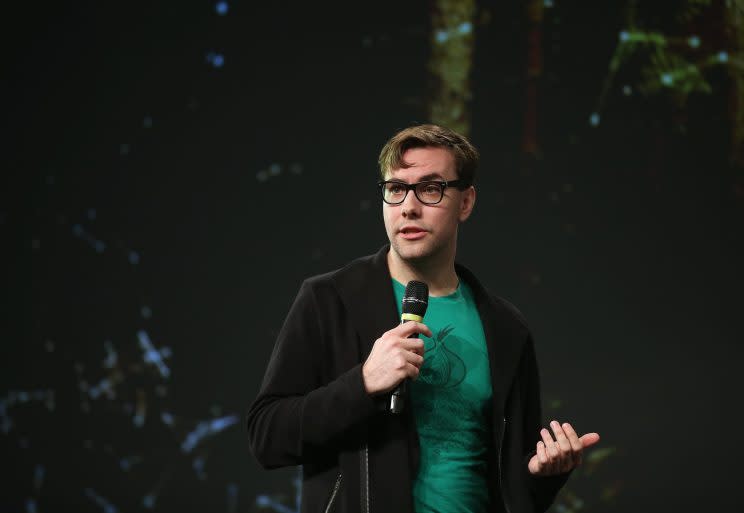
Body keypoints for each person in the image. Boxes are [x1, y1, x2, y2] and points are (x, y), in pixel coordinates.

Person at [246, 124, 600, 513]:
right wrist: (362, 384)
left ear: (465, 203)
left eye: (430, 189)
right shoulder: (329, 300)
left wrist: (543, 475)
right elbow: (267, 436)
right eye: (396, 189)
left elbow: (512, 486)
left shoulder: (506, 328)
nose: (408, 207)